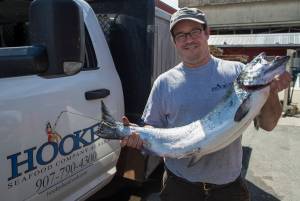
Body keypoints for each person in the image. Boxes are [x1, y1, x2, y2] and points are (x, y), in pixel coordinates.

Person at [121, 7, 292, 201]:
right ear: (174, 41)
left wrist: (270, 91)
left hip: (228, 187)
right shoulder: (164, 83)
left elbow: (268, 125)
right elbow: (153, 127)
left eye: (195, 31)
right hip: (179, 186)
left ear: (207, 33)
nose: (189, 39)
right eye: (181, 35)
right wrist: (137, 136)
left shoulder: (237, 71)